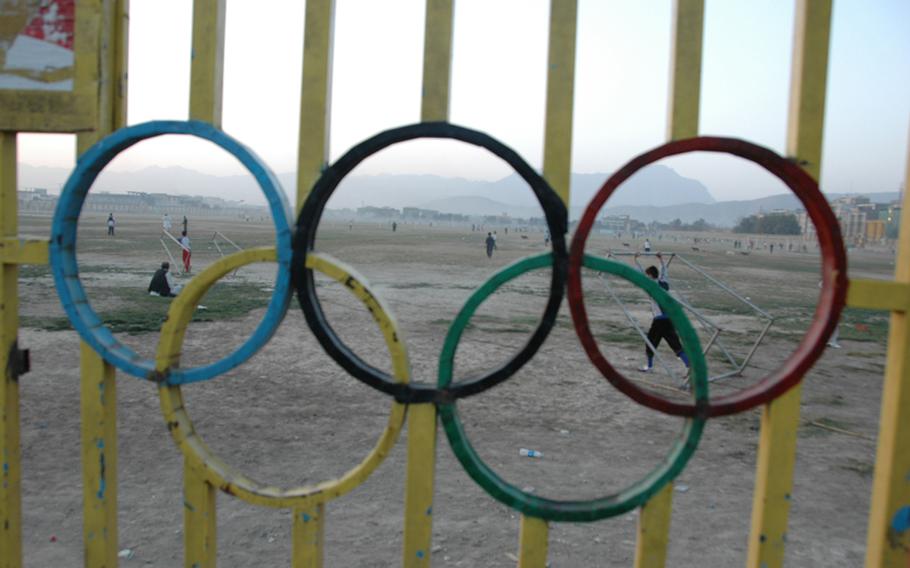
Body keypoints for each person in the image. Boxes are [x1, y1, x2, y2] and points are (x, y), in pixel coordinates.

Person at [634, 252, 690, 372]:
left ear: (649, 275)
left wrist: (636, 260)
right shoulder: (664, 283)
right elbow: (664, 271)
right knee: (675, 344)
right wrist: (661, 259)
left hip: (659, 320)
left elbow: (638, 276)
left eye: (647, 274)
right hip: (669, 319)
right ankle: (689, 365)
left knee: (650, 342)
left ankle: (649, 367)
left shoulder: (650, 285)